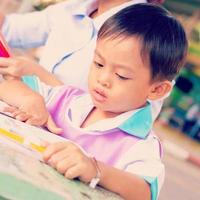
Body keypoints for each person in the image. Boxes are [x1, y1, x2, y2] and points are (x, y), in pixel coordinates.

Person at [0, 4, 187, 200]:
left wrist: (96, 170)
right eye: (98, 63)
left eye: (121, 76)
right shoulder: (67, 99)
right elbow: (8, 87)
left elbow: (145, 191)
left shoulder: (139, 144)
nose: (103, 79)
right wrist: (29, 99)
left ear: (157, 89)